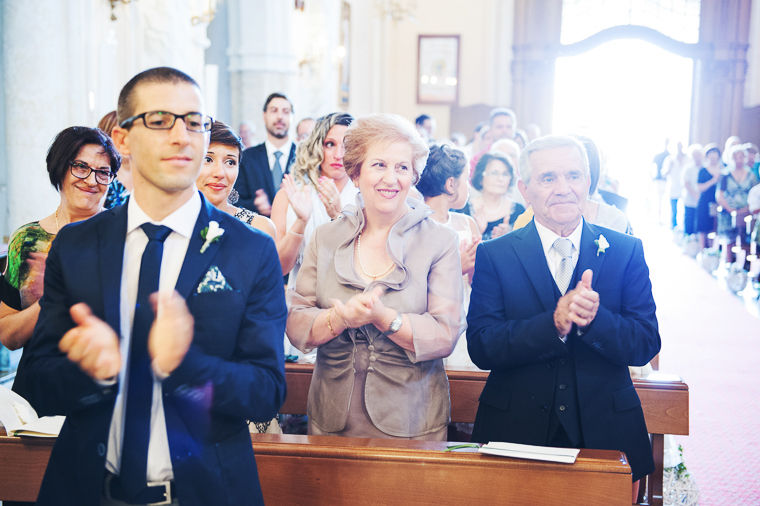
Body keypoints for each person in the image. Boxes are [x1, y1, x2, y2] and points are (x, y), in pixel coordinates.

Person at [19, 67, 287, 506]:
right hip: (87, 487)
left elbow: (265, 393)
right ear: (123, 140)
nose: (182, 135)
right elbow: (36, 382)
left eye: (194, 121)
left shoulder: (251, 249)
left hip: (205, 490)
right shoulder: (78, 244)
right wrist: (92, 369)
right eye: (161, 120)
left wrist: (186, 364)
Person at [467, 135, 660, 502]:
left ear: (588, 183)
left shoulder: (624, 250)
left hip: (607, 430)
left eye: (573, 176)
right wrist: (552, 326)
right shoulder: (496, 254)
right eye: (548, 178)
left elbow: (646, 343)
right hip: (515, 429)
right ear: (525, 189)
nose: (564, 189)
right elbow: (481, 346)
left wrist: (595, 319)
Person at [286, 113, 465, 440]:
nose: (391, 178)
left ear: (414, 175)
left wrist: (385, 318)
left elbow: (446, 333)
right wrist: (339, 319)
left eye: (402, 168)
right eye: (379, 165)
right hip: (331, 420)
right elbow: (297, 325)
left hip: (412, 420)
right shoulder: (325, 238)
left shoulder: (440, 240)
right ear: (355, 173)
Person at [1, 127, 120, 382]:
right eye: (80, 166)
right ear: (59, 168)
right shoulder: (26, 239)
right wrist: (53, 298)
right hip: (37, 390)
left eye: (103, 172)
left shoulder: (123, 238)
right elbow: (8, 337)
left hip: (102, 389)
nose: (91, 180)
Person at [271, 112, 358, 292]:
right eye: (330, 144)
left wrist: (338, 215)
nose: (339, 154)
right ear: (317, 147)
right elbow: (278, 268)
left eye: (347, 145)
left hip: (353, 300)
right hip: (301, 302)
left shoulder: (366, 196)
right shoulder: (287, 197)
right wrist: (301, 222)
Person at [416, 144, 479, 367]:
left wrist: (475, 268)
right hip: (431, 311)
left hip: (467, 306)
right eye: (467, 179)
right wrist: (455, 268)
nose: (469, 187)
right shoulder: (417, 226)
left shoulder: (466, 223)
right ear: (451, 184)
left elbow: (477, 281)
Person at [197, 120, 276, 237]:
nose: (220, 173)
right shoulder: (169, 220)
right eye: (208, 159)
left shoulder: (259, 227)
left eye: (230, 162)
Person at [237, 92, 297, 216]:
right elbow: (233, 202)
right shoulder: (246, 158)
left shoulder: (306, 158)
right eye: (274, 111)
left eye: (286, 111)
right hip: (257, 231)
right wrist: (254, 205)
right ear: (264, 116)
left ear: (292, 117)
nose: (280, 116)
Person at [470, 152, 525, 240]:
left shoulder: (519, 211)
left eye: (505, 174)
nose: (500, 179)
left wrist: (508, 237)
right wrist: (478, 231)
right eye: (494, 173)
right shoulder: (464, 210)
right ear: (481, 178)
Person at [716, 144, 758, 254]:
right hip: (728, 211)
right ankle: (729, 262)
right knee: (729, 239)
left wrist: (746, 208)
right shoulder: (726, 174)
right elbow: (719, 195)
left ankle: (744, 265)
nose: (738, 160)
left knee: (745, 240)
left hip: (746, 211)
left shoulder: (751, 175)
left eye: (741, 157)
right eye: (735, 157)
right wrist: (730, 208)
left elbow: (755, 194)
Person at [99, 111, 131, 209]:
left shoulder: (150, 175)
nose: (124, 141)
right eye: (116, 136)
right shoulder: (101, 178)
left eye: (129, 134)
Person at [696, 145, 723, 249]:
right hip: (704, 202)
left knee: (715, 228)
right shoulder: (703, 170)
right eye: (711, 157)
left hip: (718, 202)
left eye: (715, 157)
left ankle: (714, 250)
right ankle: (703, 251)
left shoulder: (723, 169)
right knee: (703, 228)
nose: (713, 159)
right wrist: (713, 180)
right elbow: (700, 187)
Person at [663, 142, 687, 229]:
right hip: (673, 187)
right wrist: (669, 167)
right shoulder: (670, 159)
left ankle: (684, 227)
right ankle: (674, 226)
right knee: (674, 209)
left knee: (685, 209)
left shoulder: (687, 158)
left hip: (685, 187)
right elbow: (664, 174)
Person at [682, 144, 704, 237]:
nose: (696, 157)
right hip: (690, 199)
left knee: (699, 222)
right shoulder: (688, 168)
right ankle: (688, 240)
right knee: (689, 221)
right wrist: (695, 195)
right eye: (694, 155)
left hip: (702, 200)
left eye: (698, 154)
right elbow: (686, 184)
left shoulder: (705, 168)